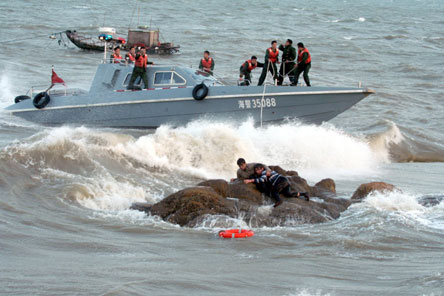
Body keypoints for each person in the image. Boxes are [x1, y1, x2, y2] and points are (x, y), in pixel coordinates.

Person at [244, 163, 309, 207]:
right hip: (285, 181)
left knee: (274, 191)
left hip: (280, 180)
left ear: (262, 169)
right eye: (256, 170)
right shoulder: (265, 173)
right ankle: (304, 194)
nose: (258, 171)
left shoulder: (265, 172)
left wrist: (250, 180)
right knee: (287, 193)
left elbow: (262, 180)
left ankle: (279, 201)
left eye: (259, 169)